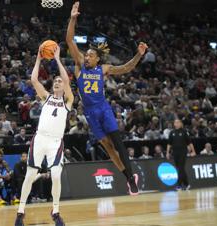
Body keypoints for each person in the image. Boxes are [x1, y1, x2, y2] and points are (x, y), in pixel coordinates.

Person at [66, 1, 147, 195]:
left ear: (97, 59)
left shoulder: (104, 69)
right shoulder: (79, 67)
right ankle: (129, 178)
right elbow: (69, 41)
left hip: (103, 108)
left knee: (118, 143)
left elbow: (126, 68)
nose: (86, 57)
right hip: (90, 113)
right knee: (109, 148)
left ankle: (131, 179)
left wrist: (138, 55)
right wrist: (73, 18)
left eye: (90, 55)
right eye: (86, 55)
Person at [15, 46, 74, 226]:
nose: (57, 82)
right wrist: (39, 59)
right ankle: (20, 212)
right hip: (40, 139)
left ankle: (55, 212)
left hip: (55, 143)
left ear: (64, 85)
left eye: (59, 81)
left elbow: (65, 78)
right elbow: (33, 79)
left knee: (56, 175)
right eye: (55, 81)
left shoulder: (68, 101)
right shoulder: (46, 97)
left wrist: (57, 59)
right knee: (30, 175)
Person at [166, 119, 196, 190]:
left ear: (180, 124)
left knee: (181, 168)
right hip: (175, 152)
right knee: (180, 169)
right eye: (175, 122)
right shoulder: (172, 132)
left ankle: (179, 185)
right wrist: (167, 152)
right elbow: (169, 144)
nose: (176, 123)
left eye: (178, 122)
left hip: (183, 152)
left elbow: (189, 142)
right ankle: (187, 184)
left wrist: (193, 151)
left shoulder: (184, 131)